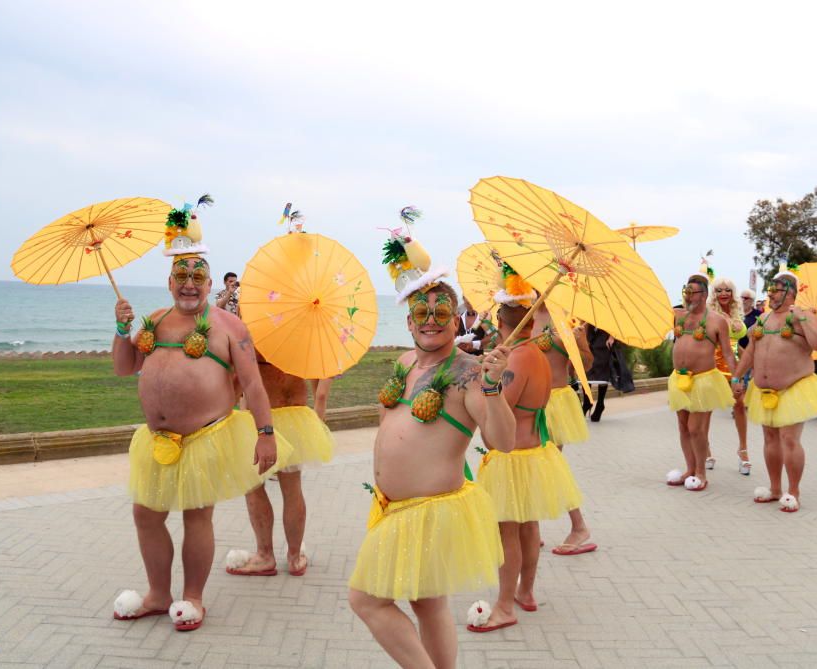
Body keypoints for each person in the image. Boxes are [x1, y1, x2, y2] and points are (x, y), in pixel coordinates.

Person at [110, 198, 287, 632]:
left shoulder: (229, 327)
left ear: (209, 283)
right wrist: (120, 329)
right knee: (146, 514)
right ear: (170, 281)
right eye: (182, 277)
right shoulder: (154, 321)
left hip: (205, 440)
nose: (190, 284)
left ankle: (193, 597)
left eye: (198, 277)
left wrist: (266, 433)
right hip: (155, 442)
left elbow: (254, 385)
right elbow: (124, 367)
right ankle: (157, 594)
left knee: (196, 516)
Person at [348, 226, 515, 668]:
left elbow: (503, 441)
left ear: (457, 319)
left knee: (365, 600)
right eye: (421, 311)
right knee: (427, 603)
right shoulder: (404, 363)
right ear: (407, 320)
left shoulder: (469, 372)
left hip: (430, 512)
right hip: (392, 508)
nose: (430, 319)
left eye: (442, 312)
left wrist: (494, 386)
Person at [472, 266, 583, 633]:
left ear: (500, 319)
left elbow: (501, 408)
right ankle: (526, 592)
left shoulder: (517, 358)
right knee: (529, 528)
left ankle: (505, 605)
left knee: (509, 532)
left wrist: (488, 381)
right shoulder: (535, 353)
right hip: (537, 453)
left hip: (513, 457)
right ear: (531, 319)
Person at [732, 267, 817, 513]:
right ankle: (775, 488)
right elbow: (750, 352)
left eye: (776, 290)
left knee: (789, 439)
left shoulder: (802, 316)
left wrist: (801, 317)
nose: (771, 295)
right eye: (770, 290)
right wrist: (737, 377)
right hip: (764, 390)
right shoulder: (764, 319)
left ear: (790, 292)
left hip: (794, 387)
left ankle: (794, 491)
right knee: (770, 438)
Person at [223, 350, 335, 579]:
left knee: (253, 488)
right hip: (294, 415)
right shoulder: (300, 330)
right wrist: (319, 415)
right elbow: (320, 382)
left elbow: (236, 379)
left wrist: (226, 412)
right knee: (292, 490)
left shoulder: (253, 329)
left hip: (256, 419)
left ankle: (265, 555)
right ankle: (294, 558)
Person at [531, 304, 596, 557]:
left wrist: (579, 342)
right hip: (526, 400)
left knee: (550, 465)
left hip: (555, 402)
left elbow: (585, 365)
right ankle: (531, 529)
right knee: (531, 466)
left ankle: (579, 526)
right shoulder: (525, 312)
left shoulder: (570, 315)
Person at [666, 268, 736, 491]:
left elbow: (727, 353)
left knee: (696, 428)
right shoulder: (677, 316)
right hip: (679, 379)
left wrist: (737, 378)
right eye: (686, 291)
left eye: (693, 292)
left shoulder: (717, 321)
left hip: (704, 380)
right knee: (683, 427)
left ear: (704, 295)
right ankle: (690, 468)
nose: (688, 296)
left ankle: (701, 473)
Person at [706, 277, 750, 475]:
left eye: (728, 290)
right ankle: (705, 450)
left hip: (732, 368)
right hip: (710, 366)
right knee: (705, 409)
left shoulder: (736, 316)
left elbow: (740, 346)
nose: (723, 293)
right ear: (713, 293)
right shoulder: (708, 315)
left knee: (739, 406)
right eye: (719, 290)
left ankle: (743, 450)